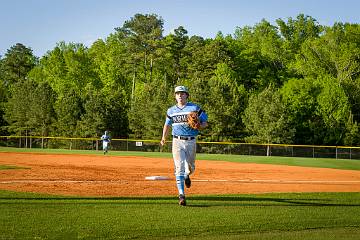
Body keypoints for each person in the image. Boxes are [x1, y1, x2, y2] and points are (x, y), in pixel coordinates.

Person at [160, 86, 208, 206]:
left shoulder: (195, 108)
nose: (180, 96)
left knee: (191, 167)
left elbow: (205, 123)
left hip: (191, 141)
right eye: (178, 94)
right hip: (177, 141)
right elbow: (167, 125)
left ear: (187, 95)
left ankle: (187, 175)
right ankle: (181, 195)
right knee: (179, 167)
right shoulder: (171, 110)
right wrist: (163, 137)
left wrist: (199, 126)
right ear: (175, 96)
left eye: (182, 93)